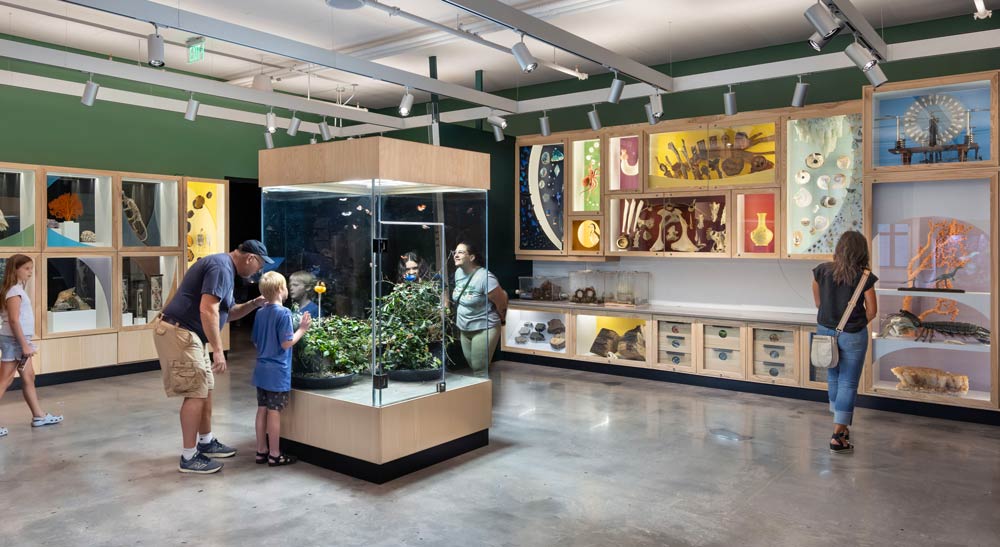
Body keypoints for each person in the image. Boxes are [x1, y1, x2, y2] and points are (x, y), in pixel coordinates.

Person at [153, 240, 271, 474]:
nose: (258, 271)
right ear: (249, 258)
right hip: (180, 332)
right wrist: (218, 350)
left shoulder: (225, 269)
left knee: (204, 388)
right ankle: (188, 457)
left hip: (190, 334)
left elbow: (230, 312)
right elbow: (208, 309)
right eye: (259, 265)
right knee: (195, 391)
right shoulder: (221, 267)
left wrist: (255, 303)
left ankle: (205, 441)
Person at [812, 231, 878, 454]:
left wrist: (831, 320)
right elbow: (872, 311)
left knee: (833, 376)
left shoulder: (821, 271)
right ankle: (838, 433)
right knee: (848, 382)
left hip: (824, 331)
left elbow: (818, 302)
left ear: (839, 249)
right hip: (853, 335)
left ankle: (840, 424)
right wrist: (856, 324)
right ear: (862, 251)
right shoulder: (864, 277)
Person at [252, 271, 311, 467]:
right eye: (286, 286)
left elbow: (255, 342)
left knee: (261, 410)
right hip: (277, 373)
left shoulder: (260, 313)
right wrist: (302, 328)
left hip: (261, 370)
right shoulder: (284, 313)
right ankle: (275, 454)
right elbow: (286, 343)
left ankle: (261, 451)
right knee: (274, 411)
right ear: (280, 290)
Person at [0, 255, 63, 437]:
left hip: (19, 340)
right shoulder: (13, 292)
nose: (30, 272)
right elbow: (13, 320)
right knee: (5, 380)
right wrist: (24, 346)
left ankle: (39, 416)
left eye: (31, 268)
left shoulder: (16, 289)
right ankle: (39, 416)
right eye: (26, 268)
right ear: (16, 269)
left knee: (29, 377)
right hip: (15, 341)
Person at [452, 242, 507, 377]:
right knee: (473, 364)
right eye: (455, 252)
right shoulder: (458, 273)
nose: (456, 255)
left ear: (471, 258)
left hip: (484, 327)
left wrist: (502, 319)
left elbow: (501, 300)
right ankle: (481, 393)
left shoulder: (485, 278)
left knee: (479, 368)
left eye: (461, 252)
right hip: (464, 327)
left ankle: (482, 397)